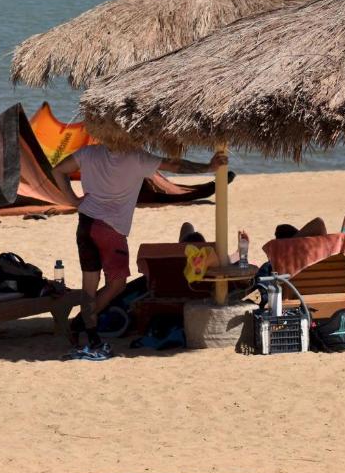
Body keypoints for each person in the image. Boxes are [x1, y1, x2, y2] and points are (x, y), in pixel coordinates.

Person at [52, 145, 227, 360]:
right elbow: (175, 165)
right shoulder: (136, 157)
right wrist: (208, 167)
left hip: (85, 224)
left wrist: (72, 200)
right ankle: (84, 328)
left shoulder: (89, 153)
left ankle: (85, 331)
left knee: (89, 286)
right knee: (117, 285)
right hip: (110, 230)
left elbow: (57, 170)